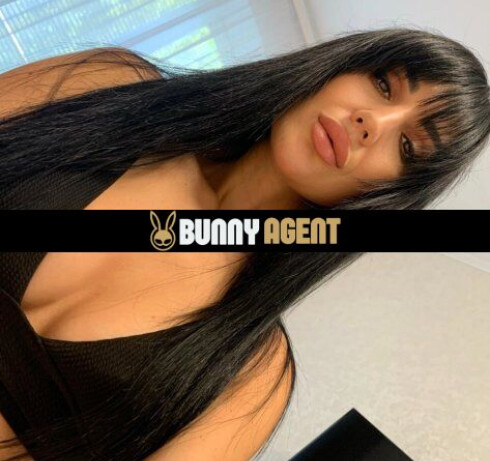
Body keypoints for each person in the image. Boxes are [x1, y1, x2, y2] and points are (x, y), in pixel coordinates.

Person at [0, 26, 488, 461]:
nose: (372, 122)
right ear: (338, 65)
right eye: (383, 84)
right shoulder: (107, 82)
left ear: (390, 195)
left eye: (407, 146)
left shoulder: (252, 379)